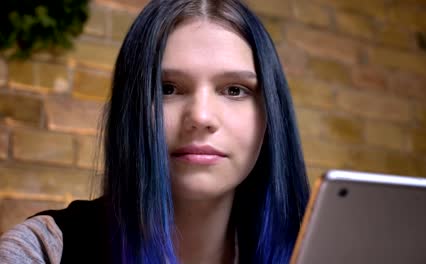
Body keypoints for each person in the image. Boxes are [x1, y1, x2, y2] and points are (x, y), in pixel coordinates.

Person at [0, 0, 310, 263]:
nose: (201, 117)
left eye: (234, 90)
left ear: (270, 115)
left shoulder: (315, 250)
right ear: (129, 109)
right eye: (168, 88)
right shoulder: (45, 251)